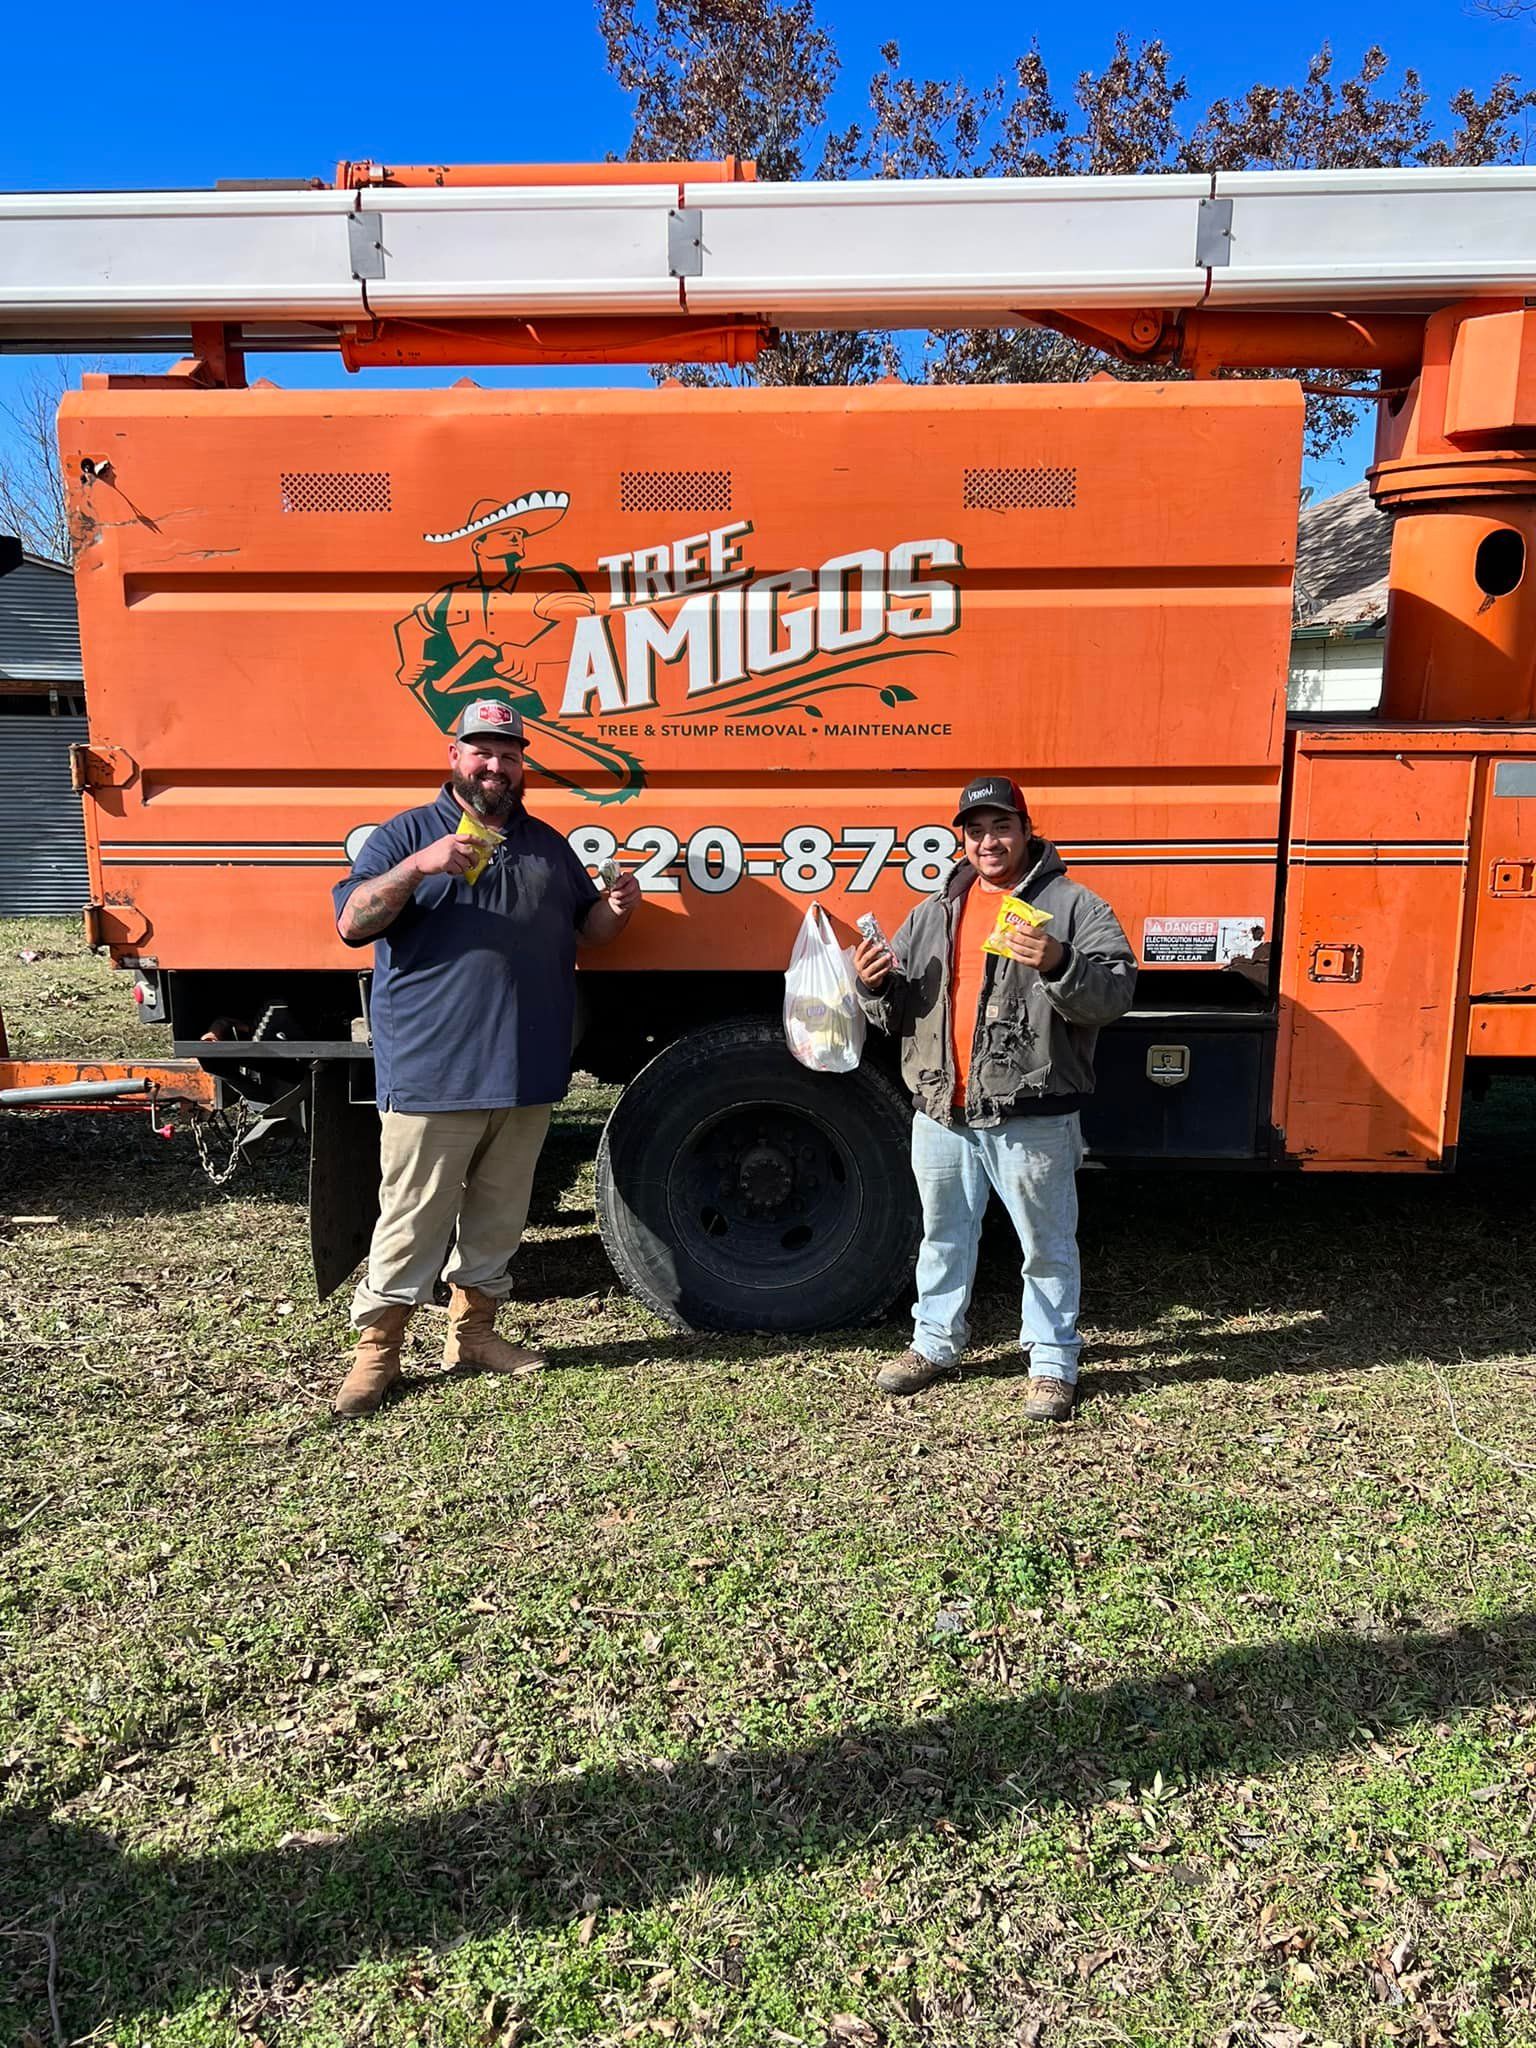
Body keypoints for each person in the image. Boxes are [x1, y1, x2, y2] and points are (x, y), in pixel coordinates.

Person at [329, 698, 640, 1418]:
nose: (495, 765)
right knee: (411, 1220)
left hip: (525, 1070)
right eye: (481, 751)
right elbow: (352, 921)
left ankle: (472, 1337)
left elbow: (584, 931)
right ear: (455, 756)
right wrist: (419, 867)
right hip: (434, 1071)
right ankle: (376, 1356)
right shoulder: (407, 834)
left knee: (499, 1218)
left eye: (508, 753)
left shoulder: (543, 843)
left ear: (522, 762)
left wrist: (615, 911)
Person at [854, 775, 1135, 1421]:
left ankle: (1051, 1362)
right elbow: (897, 1013)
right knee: (944, 1236)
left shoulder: (1074, 907)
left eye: (1001, 827)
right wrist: (872, 986)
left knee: (1046, 1245)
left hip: (1031, 1115)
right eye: (975, 830)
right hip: (940, 1113)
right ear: (962, 838)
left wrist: (1061, 961)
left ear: (1026, 830)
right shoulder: (932, 914)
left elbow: (1115, 995)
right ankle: (935, 1344)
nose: (988, 840)